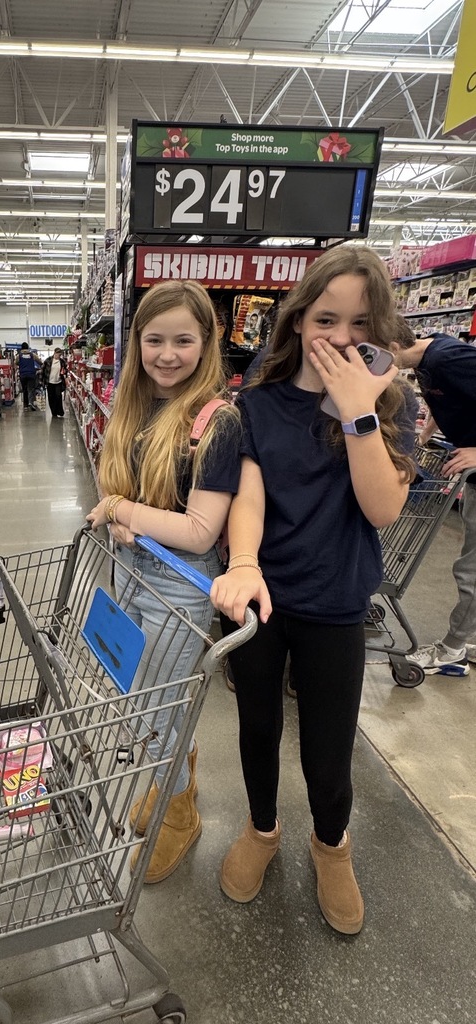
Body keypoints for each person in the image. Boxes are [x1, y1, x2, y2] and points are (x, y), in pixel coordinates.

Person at [210, 246, 417, 935]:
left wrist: (360, 411)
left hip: (335, 604)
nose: (342, 337)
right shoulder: (256, 405)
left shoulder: (392, 404)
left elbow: (382, 507)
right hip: (262, 601)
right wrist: (242, 562)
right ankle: (263, 828)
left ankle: (333, 846)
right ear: (298, 320)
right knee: (258, 728)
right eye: (327, 317)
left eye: (361, 323)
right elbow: (249, 497)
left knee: (329, 750)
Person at [86, 279, 241, 883]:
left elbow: (201, 531)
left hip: (181, 582)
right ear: (137, 341)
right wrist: (126, 512)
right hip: (131, 569)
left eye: (183, 339)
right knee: (146, 699)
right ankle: (176, 774)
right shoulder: (135, 404)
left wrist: (123, 512)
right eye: (155, 339)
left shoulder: (217, 421)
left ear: (207, 341)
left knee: (150, 709)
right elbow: (118, 481)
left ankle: (181, 814)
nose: (168, 354)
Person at [391, 325, 476, 676]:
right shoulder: (428, 361)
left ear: (393, 344)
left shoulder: (448, 358)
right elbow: (448, 399)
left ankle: (453, 649)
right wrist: (425, 433)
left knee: (471, 571)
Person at [42, 347, 67, 418]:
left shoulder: (62, 362)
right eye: (58, 354)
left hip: (58, 382)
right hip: (49, 382)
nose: (59, 356)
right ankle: (54, 412)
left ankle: (60, 411)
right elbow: (42, 370)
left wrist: (65, 374)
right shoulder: (48, 360)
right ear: (55, 353)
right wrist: (42, 381)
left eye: (60, 355)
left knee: (58, 396)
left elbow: (65, 370)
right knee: (51, 397)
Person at [17, 342, 42, 410]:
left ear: (21, 348)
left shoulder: (19, 356)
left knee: (25, 390)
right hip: (31, 374)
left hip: (23, 375)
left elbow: (16, 363)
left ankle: (25, 406)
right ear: (28, 347)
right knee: (31, 389)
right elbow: (40, 362)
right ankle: (31, 402)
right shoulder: (32, 355)